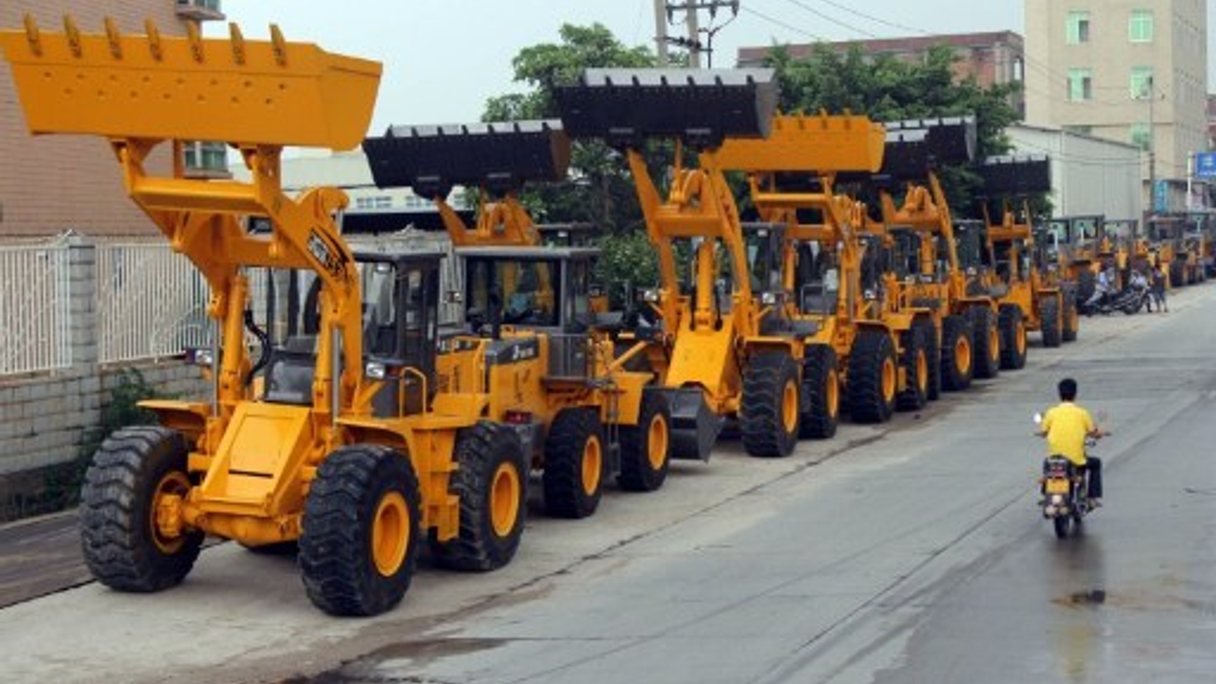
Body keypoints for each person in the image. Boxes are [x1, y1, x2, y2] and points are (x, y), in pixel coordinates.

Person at [1038, 377, 1104, 505]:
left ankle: (1046, 493)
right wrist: (1099, 434)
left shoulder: (1051, 413)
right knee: (1096, 463)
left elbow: (1044, 432)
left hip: (1055, 460)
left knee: (1048, 464)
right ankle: (1092, 498)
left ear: (1059, 394)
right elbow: (1093, 432)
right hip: (1076, 460)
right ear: (1075, 394)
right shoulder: (1082, 413)